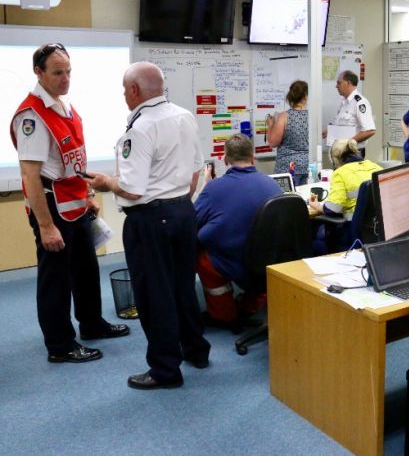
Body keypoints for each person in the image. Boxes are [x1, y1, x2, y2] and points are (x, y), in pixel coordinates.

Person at [86, 61, 210, 389]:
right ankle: (196, 350)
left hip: (150, 220)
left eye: (125, 90)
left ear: (135, 90)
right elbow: (197, 169)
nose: (124, 96)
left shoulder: (139, 129)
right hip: (184, 213)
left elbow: (132, 189)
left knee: (155, 296)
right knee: (183, 287)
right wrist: (178, 199)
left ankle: (165, 371)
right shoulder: (184, 116)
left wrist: (106, 183)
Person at [9, 43, 129, 364]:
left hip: (76, 203)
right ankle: (60, 344)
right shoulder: (32, 116)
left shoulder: (64, 107)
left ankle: (91, 323)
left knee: (86, 269)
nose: (66, 79)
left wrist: (89, 195)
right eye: (57, 73)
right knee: (56, 279)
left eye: (69, 71)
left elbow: (74, 160)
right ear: (39, 73)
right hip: (52, 208)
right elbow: (30, 176)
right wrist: (46, 226)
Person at [194, 134, 282, 323]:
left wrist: (205, 186)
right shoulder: (273, 185)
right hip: (267, 264)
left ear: (225, 160)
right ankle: (253, 303)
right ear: (253, 158)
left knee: (200, 255)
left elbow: (193, 222)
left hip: (232, 262)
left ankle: (223, 313)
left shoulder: (214, 189)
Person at [309, 138, 382, 251]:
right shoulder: (374, 166)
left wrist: (317, 206)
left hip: (349, 230)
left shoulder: (340, 173)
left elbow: (334, 208)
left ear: (335, 159)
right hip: (375, 230)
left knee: (314, 239)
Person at [266, 80, 309, 186]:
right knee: (305, 200)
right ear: (305, 96)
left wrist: (271, 125)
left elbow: (273, 142)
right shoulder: (312, 116)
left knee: (287, 200)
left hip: (288, 168)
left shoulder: (284, 116)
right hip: (308, 166)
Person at [326, 70, 376, 150]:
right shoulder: (344, 102)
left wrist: (349, 143)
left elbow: (370, 130)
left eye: (339, 83)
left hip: (352, 152)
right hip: (340, 151)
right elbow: (345, 128)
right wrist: (331, 133)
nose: (336, 86)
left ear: (348, 83)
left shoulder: (360, 102)